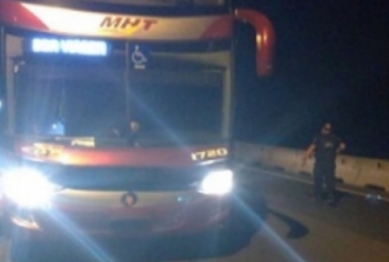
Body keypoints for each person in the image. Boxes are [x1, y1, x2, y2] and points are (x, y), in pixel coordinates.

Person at [302, 123, 346, 203]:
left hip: (321, 163)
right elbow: (343, 146)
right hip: (329, 163)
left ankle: (319, 196)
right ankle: (329, 195)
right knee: (328, 179)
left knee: (319, 179)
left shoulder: (319, 137)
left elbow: (312, 147)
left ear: (323, 129)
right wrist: (337, 151)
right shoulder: (335, 138)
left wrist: (305, 156)